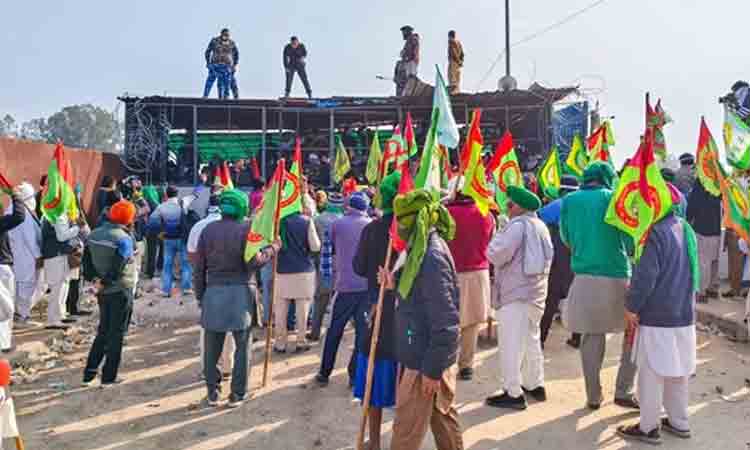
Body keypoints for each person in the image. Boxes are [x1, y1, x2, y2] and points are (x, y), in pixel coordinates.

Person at [380, 189, 464, 450]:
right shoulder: (419, 249)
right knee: (443, 420)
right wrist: (394, 284)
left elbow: (447, 322)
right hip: (423, 353)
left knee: (405, 432)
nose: (398, 228)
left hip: (424, 361)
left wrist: (431, 370)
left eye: (402, 221)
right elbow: (420, 297)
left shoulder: (430, 257)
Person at [616, 200, 698, 444]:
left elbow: (645, 277)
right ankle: (678, 421)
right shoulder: (684, 228)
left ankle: (648, 427)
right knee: (678, 371)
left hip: (658, 315)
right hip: (683, 313)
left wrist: (631, 307)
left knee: (651, 372)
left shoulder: (655, 232)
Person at [560, 162, 638, 410]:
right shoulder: (616, 198)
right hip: (617, 276)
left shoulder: (570, 201)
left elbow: (566, 238)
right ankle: (623, 391)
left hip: (583, 278)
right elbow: (629, 241)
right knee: (631, 335)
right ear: (607, 178)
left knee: (591, 337)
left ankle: (594, 397)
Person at [193, 189, 279, 407]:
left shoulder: (208, 230)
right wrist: (272, 249)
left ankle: (213, 393)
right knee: (243, 348)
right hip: (241, 294)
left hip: (213, 293)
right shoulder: (247, 228)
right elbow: (254, 261)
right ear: (242, 207)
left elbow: (198, 269)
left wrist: (201, 296)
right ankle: (237, 394)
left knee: (212, 348)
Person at [485, 186, 553, 410]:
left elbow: (495, 254)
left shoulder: (517, 227)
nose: (507, 206)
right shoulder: (540, 226)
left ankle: (513, 393)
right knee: (531, 339)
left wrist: (497, 234)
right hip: (536, 294)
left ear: (520, 207)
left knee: (511, 344)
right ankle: (535, 385)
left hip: (516, 294)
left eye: (511, 204)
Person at [352, 172, 401, 450]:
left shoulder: (372, 229)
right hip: (404, 314)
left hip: (377, 309)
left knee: (374, 376)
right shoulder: (413, 231)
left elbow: (359, 267)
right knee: (400, 378)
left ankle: (374, 441)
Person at [315, 192, 372, 386]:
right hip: (366, 288)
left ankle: (324, 373)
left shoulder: (336, 224)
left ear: (349, 207)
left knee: (334, 332)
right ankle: (354, 376)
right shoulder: (371, 225)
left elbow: (325, 254)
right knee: (362, 334)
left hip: (344, 286)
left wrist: (328, 277)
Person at [82, 200, 138, 386]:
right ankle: (109, 376)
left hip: (102, 291)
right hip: (120, 290)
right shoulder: (123, 239)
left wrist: (96, 281)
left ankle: (89, 373)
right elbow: (118, 265)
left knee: (103, 330)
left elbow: (87, 262)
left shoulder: (94, 234)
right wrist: (105, 282)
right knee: (117, 333)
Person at [446, 191, 494, 381]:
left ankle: (446, 362)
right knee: (472, 323)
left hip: (450, 271)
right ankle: (466, 365)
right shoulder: (486, 214)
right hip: (477, 272)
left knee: (448, 320)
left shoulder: (446, 213)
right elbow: (490, 240)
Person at [186, 195, 235, 376]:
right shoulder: (238, 227)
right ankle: (227, 366)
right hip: (231, 283)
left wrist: (201, 274)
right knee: (229, 326)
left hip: (207, 282)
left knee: (207, 328)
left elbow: (192, 256)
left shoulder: (199, 227)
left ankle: (208, 368)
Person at [538, 175, 580, 349]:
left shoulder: (559, 204)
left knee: (551, 300)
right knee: (576, 300)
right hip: (578, 258)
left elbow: (539, 217)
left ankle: (541, 338)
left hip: (558, 258)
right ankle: (577, 337)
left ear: (561, 190)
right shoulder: (581, 205)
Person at [274, 204, 321, 353]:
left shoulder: (278, 221)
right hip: (303, 270)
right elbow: (315, 247)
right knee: (303, 309)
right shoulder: (306, 221)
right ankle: (300, 341)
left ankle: (280, 343)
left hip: (282, 270)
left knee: (280, 310)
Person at [41, 206, 88, 330]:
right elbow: (61, 236)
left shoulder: (56, 214)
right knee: (57, 288)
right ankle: (53, 320)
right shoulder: (56, 216)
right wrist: (77, 228)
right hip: (55, 256)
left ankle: (60, 315)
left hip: (59, 255)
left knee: (63, 286)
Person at [308, 193, 344, 341]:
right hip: (340, 263)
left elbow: (312, 244)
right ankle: (334, 334)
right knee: (338, 300)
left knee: (320, 299)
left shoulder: (317, 219)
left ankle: (315, 331)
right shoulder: (343, 221)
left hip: (321, 262)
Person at [8, 183, 44, 327]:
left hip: (17, 256)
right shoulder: (23, 214)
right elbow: (30, 238)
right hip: (26, 257)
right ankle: (22, 318)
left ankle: (19, 316)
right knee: (25, 288)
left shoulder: (11, 210)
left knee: (18, 287)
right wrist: (38, 256)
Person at [150, 186, 192, 298]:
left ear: (166, 195)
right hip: (182, 238)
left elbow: (152, 221)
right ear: (177, 194)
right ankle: (187, 288)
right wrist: (202, 183)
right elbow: (195, 195)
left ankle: (166, 290)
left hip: (168, 239)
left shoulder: (161, 207)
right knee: (185, 264)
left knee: (167, 265)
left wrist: (159, 233)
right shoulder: (183, 204)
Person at [686, 180, 721, 303]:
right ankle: (713, 288)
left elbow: (692, 205)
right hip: (717, 227)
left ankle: (701, 292)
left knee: (703, 261)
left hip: (702, 227)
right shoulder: (718, 180)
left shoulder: (701, 181)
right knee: (714, 260)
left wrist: (688, 220)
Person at [0, 188, 26, 351]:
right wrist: (16, 197)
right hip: (2, 269)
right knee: (5, 308)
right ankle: (4, 343)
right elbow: (19, 216)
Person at [203, 28, 239, 100]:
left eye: (227, 35)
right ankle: (205, 95)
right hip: (215, 65)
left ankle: (229, 97)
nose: (226, 36)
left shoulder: (232, 43)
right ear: (221, 34)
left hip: (227, 66)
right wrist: (208, 63)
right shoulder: (214, 41)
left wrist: (235, 65)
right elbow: (207, 52)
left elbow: (236, 54)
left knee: (229, 81)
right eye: (225, 35)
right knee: (210, 80)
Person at [447, 30, 464, 95]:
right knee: (457, 78)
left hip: (453, 61)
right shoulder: (458, 43)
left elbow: (453, 52)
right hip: (458, 64)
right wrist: (461, 61)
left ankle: (453, 92)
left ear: (449, 36)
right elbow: (462, 53)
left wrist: (457, 60)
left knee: (451, 76)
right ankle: (457, 91)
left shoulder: (451, 42)